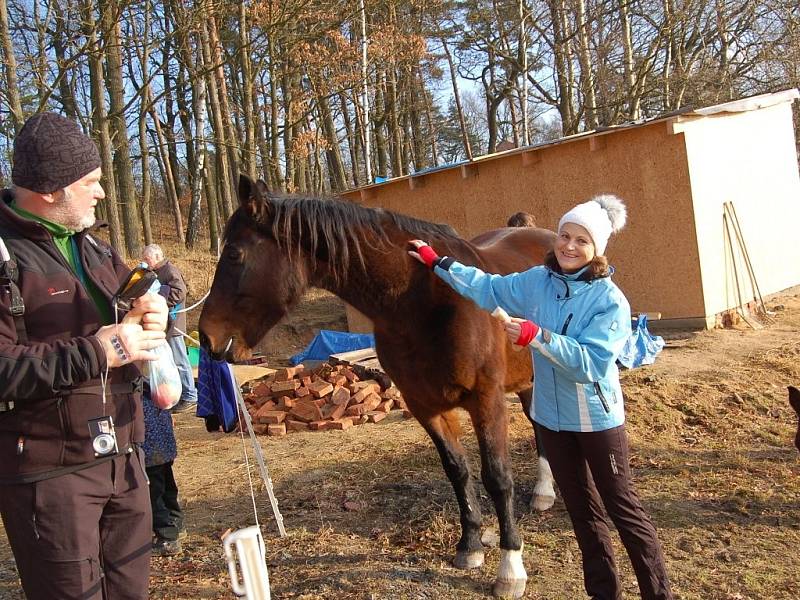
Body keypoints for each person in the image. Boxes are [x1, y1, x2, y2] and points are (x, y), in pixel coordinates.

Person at [409, 194, 673, 600]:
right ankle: (604, 594)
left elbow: (592, 362)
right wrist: (436, 262)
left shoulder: (609, 301)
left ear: (596, 248)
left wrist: (537, 337)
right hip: (551, 418)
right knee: (583, 515)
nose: (568, 245)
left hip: (595, 420)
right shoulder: (538, 281)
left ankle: (658, 593)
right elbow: (487, 286)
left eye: (581, 240)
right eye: (564, 235)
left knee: (624, 510)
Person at [0, 112, 168, 600]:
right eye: (90, 182)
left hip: (124, 458)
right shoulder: (5, 258)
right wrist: (97, 351)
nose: (101, 192)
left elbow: (133, 317)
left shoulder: (93, 247)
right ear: (52, 189)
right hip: (51, 476)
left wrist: (156, 316)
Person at [142, 243, 198, 413]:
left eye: (147, 258)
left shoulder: (169, 271)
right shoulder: (156, 273)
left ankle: (190, 395)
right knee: (171, 360)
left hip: (174, 324)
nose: (144, 261)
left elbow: (180, 292)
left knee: (180, 360)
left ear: (157, 257)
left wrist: (161, 303)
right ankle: (179, 393)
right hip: (164, 324)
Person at [142, 382, 185, 555]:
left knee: (154, 490)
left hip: (149, 440)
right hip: (161, 433)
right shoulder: (155, 377)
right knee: (166, 482)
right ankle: (175, 522)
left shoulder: (135, 374)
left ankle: (167, 537)